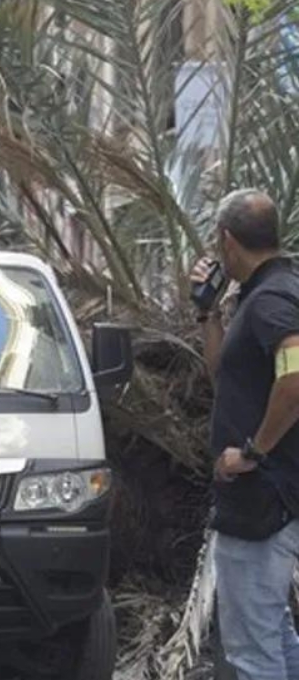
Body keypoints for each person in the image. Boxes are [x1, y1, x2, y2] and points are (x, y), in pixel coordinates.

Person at [190, 189, 299, 680]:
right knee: (273, 637)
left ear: (227, 240)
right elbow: (221, 373)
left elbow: (295, 378)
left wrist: (253, 451)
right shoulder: (266, 294)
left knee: (253, 653)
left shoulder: (272, 300)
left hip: (261, 502)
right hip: (269, 500)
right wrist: (206, 311)